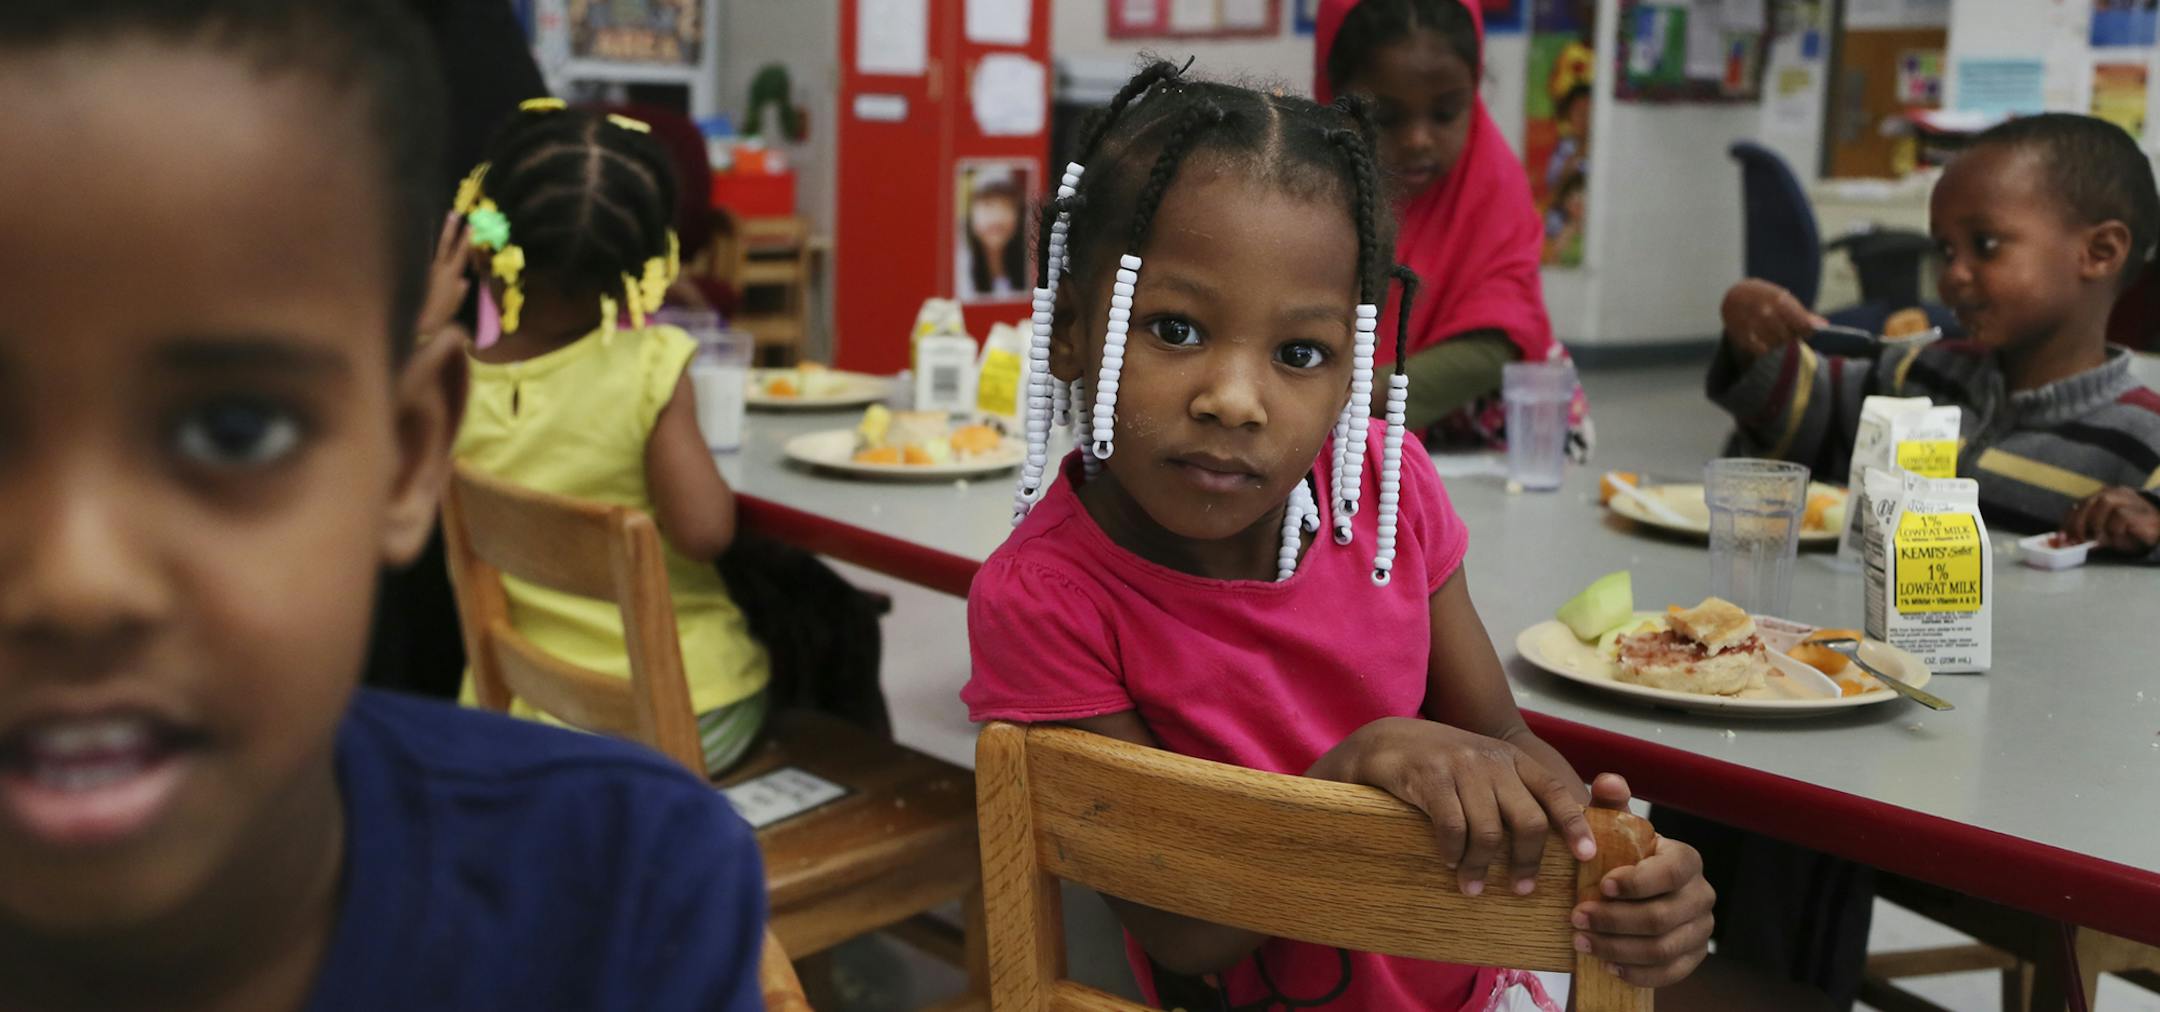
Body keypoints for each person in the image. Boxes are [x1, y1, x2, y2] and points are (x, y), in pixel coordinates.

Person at [0, 1, 766, 1010]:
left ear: (409, 454)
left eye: (235, 429)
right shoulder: (630, 884)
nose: (78, 584)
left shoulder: (629, 895)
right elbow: (707, 530)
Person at [969, 63, 1740, 1012]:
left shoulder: (1386, 493)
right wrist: (1351, 770)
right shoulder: (1046, 599)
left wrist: (1623, 873)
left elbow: (1500, 737)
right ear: (1069, 332)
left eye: (1300, 354)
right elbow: (1182, 929)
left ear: (1352, 373)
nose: (1234, 401)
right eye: (1174, 329)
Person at [448, 102, 773, 775]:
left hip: (522, 715)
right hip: (675, 713)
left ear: (485, 244)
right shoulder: (651, 368)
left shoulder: (446, 383)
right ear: (646, 265)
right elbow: (706, 533)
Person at [1713, 113, 2160, 560]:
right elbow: (1802, 416)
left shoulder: (2144, 438)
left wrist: (2150, 521)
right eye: (1946, 251)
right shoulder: (1913, 374)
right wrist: (1754, 344)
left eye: (1985, 244)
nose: (1953, 275)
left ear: (2100, 253)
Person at [1315, 0, 1590, 459]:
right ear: (1333, 96)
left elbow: (1499, 339)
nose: (1418, 139)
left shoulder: (1494, 183)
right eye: (1386, 118)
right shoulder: (1307, 193)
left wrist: (1343, 397)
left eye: (1444, 114)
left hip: (1481, 439)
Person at [962, 169, 1029, 300]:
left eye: (1006, 205)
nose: (997, 217)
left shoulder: (1029, 268)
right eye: (988, 205)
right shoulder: (959, 273)